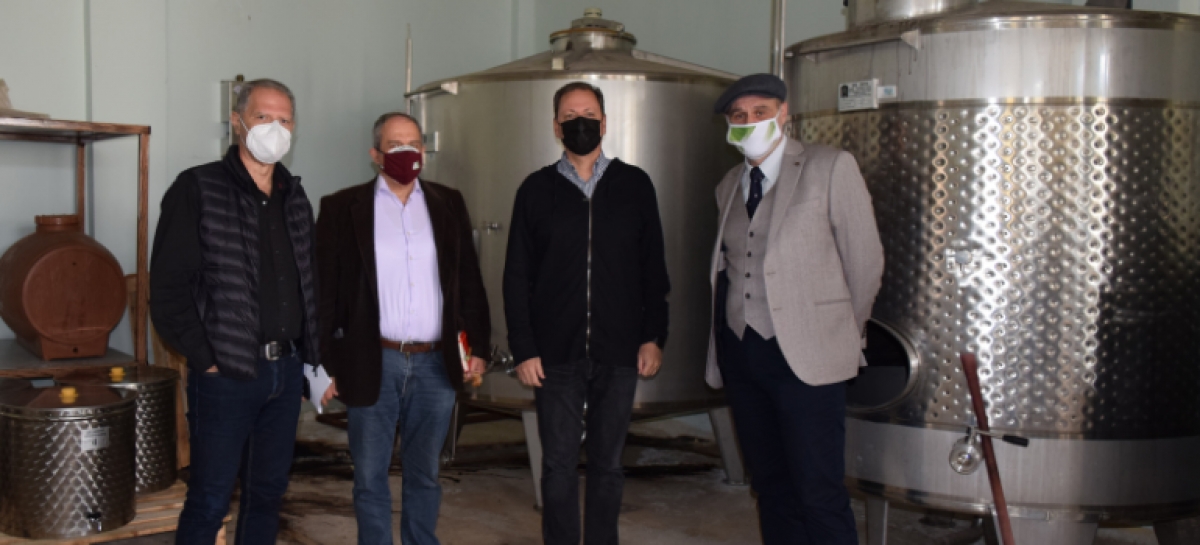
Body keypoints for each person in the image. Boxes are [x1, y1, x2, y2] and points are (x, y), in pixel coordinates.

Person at [706, 73, 885, 544]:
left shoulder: (830, 167)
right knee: (770, 486)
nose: (749, 122)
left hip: (808, 357)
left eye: (760, 112)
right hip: (743, 356)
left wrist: (840, 334)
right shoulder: (728, 185)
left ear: (784, 113)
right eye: (739, 116)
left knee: (818, 490)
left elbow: (865, 261)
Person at [150, 78, 317, 544]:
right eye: (263, 117)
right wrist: (206, 358)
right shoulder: (198, 187)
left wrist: (310, 356)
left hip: (285, 372)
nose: (274, 128)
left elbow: (308, 282)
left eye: (284, 120)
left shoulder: (294, 197)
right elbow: (167, 287)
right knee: (210, 498)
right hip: (226, 375)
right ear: (237, 122)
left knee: (268, 494)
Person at [503, 81, 671, 545]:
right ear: (556, 127)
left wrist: (653, 335)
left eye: (590, 114)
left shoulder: (635, 185)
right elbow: (516, 275)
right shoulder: (536, 189)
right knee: (557, 466)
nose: (581, 123)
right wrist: (524, 347)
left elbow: (653, 269)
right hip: (554, 353)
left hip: (620, 351)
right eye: (571, 116)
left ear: (605, 123)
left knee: (608, 465)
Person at [315, 112, 490, 545]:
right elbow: (324, 291)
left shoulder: (448, 203)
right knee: (369, 475)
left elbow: (468, 281)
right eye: (395, 145)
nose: (406, 152)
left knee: (425, 473)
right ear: (375, 154)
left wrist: (479, 348)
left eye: (413, 143)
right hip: (372, 358)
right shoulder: (342, 208)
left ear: (424, 152)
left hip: (436, 362)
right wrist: (322, 363)